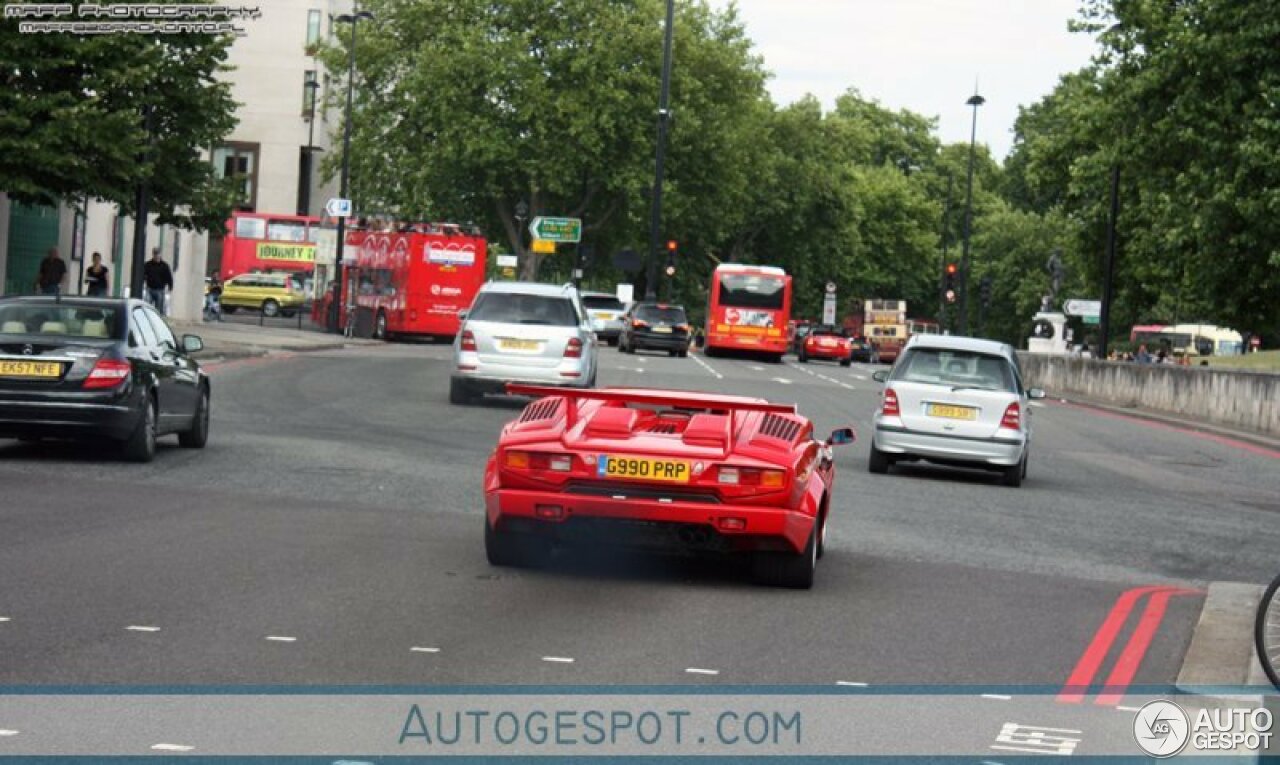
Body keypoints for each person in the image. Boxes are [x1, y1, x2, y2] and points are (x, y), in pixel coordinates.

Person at [142, 248, 174, 313]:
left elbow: (169, 277)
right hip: (150, 289)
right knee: (147, 306)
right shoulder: (148, 265)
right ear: (153, 255)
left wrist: (170, 287)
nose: (156, 256)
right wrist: (143, 282)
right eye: (155, 254)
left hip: (160, 290)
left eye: (158, 254)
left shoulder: (165, 266)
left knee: (158, 309)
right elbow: (143, 275)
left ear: (160, 255)